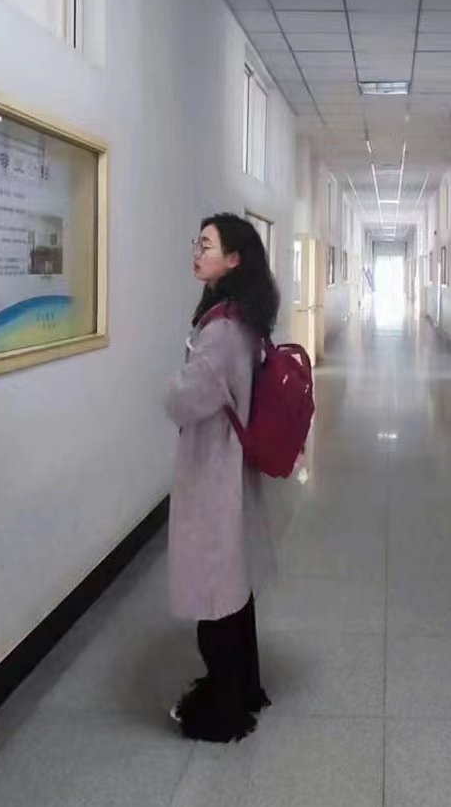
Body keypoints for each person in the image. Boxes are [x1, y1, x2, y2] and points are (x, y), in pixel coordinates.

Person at [164, 214, 279, 741]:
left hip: (214, 471)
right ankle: (244, 689)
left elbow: (184, 400)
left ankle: (223, 710)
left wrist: (171, 383)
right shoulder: (245, 321)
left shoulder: (221, 332)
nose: (197, 251)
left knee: (214, 596)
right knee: (232, 589)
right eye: (198, 242)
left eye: (207, 245)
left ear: (233, 259)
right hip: (230, 467)